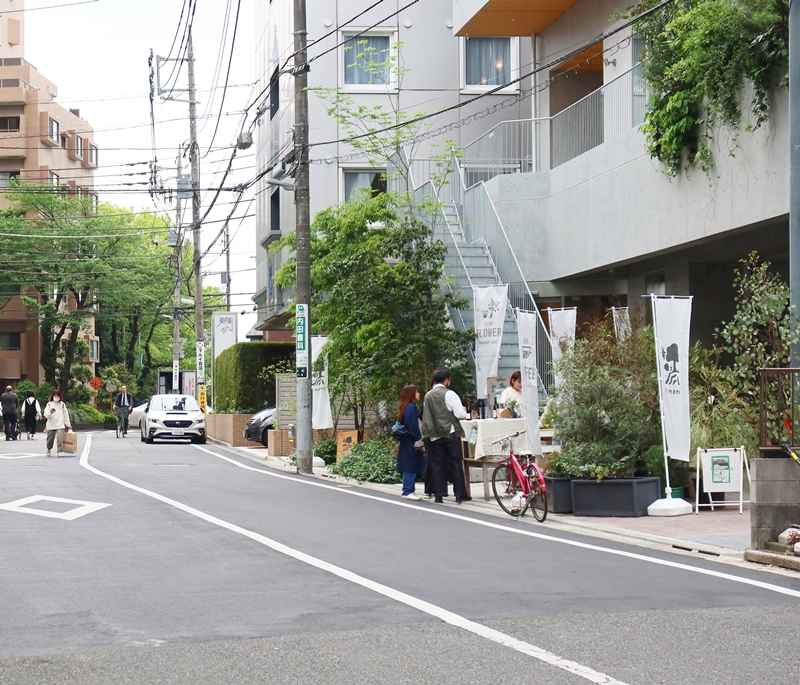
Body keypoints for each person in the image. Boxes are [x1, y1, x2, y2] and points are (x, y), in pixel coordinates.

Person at [421, 368, 471, 504]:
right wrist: (464, 411)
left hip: (434, 435)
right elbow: (459, 414)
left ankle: (439, 495)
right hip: (450, 433)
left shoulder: (428, 396)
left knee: (437, 464)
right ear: (447, 380)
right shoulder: (450, 394)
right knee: (455, 462)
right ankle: (460, 494)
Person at [396, 385, 424, 501]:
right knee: (410, 465)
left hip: (406, 440)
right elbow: (413, 426)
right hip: (411, 440)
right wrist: (419, 440)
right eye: (417, 392)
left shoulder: (405, 406)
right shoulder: (411, 407)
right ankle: (407, 491)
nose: (419, 394)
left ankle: (410, 490)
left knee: (409, 463)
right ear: (412, 394)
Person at [44, 389, 72, 457]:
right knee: (50, 439)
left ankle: (60, 451)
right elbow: (46, 415)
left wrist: (68, 424)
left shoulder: (62, 404)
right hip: (51, 424)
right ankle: (49, 449)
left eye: (57, 395)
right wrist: (51, 411)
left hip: (60, 424)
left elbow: (65, 415)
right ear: (53, 396)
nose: (56, 397)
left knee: (60, 438)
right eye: (55, 395)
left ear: (60, 396)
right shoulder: (49, 404)